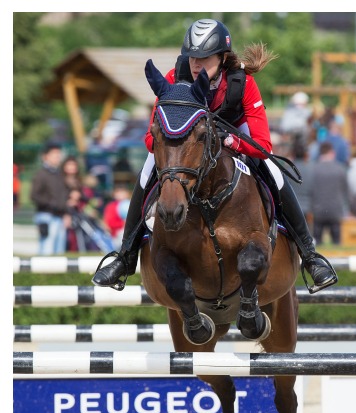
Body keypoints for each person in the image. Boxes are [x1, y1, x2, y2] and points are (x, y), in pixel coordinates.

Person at [92, 18, 337, 293]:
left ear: (222, 57)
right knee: (148, 169)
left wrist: (230, 140)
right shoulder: (174, 79)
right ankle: (125, 257)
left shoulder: (241, 82)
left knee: (274, 171)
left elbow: (263, 144)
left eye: (205, 57)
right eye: (192, 57)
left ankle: (310, 255)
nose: (196, 64)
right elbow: (151, 139)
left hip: (234, 134)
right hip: (189, 145)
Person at [30, 141, 71, 255]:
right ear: (45, 156)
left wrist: (66, 213)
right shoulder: (41, 174)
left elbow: (64, 196)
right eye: (55, 154)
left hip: (59, 217)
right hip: (46, 216)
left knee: (59, 250)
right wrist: (51, 203)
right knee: (47, 249)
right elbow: (34, 195)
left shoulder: (59, 174)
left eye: (59, 154)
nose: (58, 157)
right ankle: (41, 273)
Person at [308, 141, 351, 245]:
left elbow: (310, 189)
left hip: (317, 210)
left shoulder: (313, 169)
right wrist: (347, 208)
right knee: (337, 243)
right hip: (336, 209)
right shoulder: (340, 169)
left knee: (317, 243)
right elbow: (346, 190)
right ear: (332, 152)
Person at [103, 183, 131, 249]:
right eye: (118, 192)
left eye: (123, 192)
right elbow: (110, 223)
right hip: (116, 235)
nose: (121, 194)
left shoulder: (130, 204)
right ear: (114, 194)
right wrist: (122, 224)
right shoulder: (111, 206)